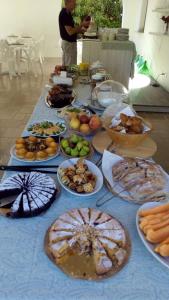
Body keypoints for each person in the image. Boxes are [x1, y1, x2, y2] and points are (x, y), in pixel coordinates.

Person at [59, 0, 90, 66]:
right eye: (74, 2)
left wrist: (80, 31)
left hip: (70, 44)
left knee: (68, 66)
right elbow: (70, 32)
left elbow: (72, 29)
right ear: (68, 2)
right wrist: (82, 24)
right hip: (69, 44)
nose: (75, 4)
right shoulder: (64, 14)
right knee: (70, 67)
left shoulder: (68, 13)